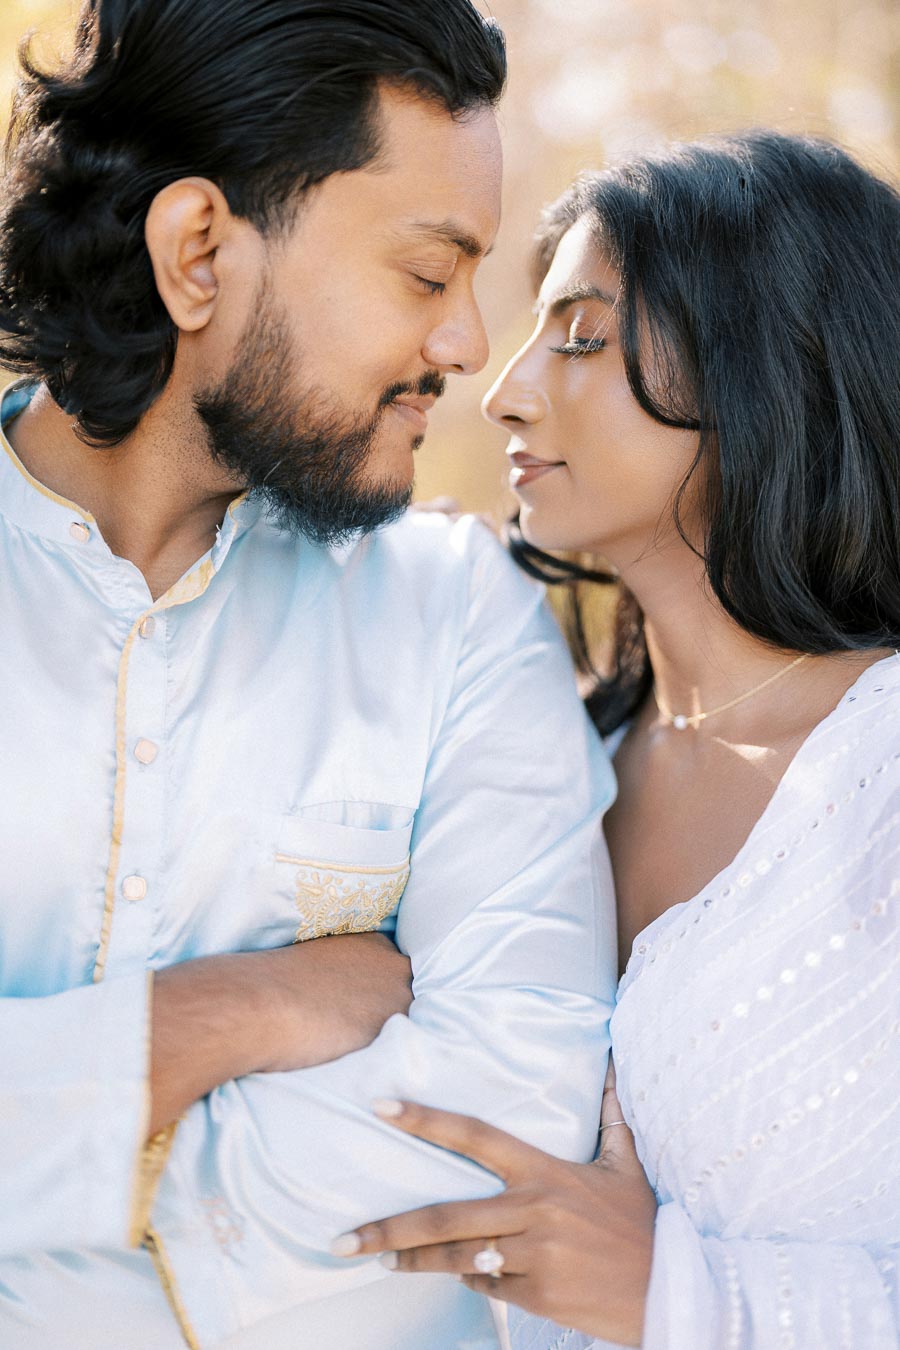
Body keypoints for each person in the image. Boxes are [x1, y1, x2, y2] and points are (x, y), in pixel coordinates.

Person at [0, 3, 619, 1348]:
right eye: (424, 273)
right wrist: (245, 1010)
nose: (467, 347)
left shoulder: (462, 616)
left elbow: (511, 1109)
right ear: (200, 254)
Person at [335, 133, 900, 1349]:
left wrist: (683, 1298)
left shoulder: (884, 775)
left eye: (582, 336)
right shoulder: (549, 742)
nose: (506, 391)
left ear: (769, 366)